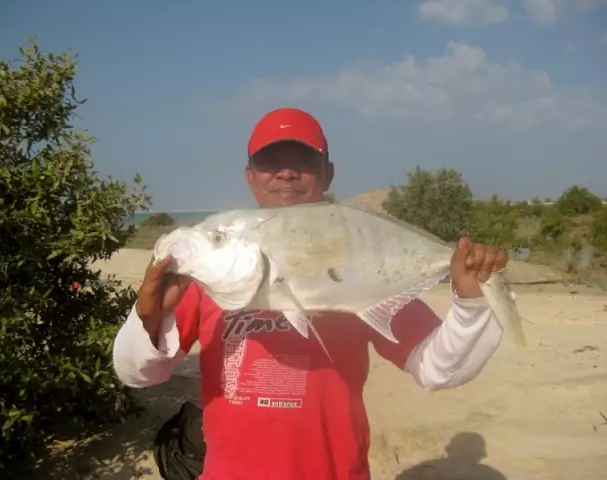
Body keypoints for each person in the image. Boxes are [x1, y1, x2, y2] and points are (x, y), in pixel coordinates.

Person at [112, 107, 507, 480]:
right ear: (249, 175)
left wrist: (470, 302)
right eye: (271, 162)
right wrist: (148, 316)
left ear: (328, 174)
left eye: (302, 161)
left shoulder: (356, 256)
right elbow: (138, 374)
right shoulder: (207, 279)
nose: (286, 173)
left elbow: (437, 368)